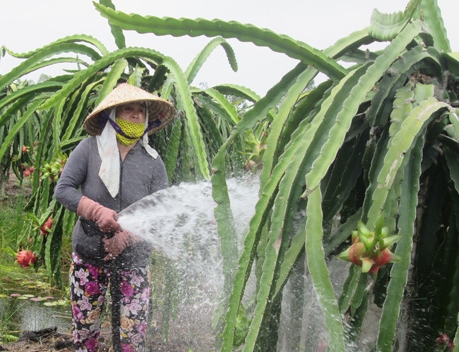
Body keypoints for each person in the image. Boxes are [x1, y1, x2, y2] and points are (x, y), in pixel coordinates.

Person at [54, 83, 176, 352]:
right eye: (127, 109)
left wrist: (128, 237)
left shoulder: (152, 161)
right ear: (111, 116)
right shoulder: (88, 150)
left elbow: (162, 212)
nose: (135, 115)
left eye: (140, 111)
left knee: (132, 339)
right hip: (89, 256)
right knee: (86, 335)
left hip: (134, 261)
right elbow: (63, 190)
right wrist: (97, 212)